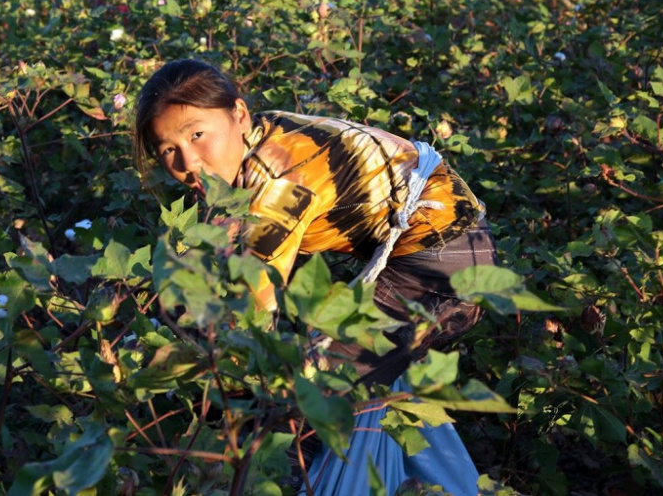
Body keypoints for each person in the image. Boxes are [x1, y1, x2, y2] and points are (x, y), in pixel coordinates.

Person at [133, 59, 496, 495]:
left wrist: (199, 385)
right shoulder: (258, 145)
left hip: (442, 261)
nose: (187, 162)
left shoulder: (277, 181)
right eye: (167, 149)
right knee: (354, 390)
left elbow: (251, 309)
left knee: (297, 408)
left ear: (240, 115)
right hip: (437, 251)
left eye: (196, 135)